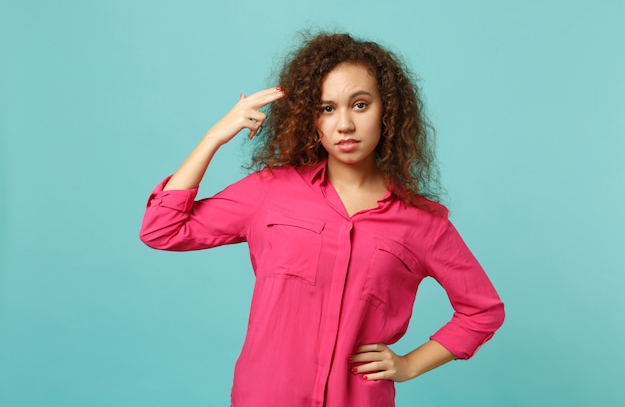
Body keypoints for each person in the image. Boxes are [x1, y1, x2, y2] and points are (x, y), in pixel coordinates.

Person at [140, 32, 505, 407]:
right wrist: (213, 138)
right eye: (327, 108)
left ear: (387, 111)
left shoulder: (422, 222)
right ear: (311, 117)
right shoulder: (271, 192)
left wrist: (409, 365)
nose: (344, 124)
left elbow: (482, 310)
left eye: (360, 105)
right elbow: (162, 229)